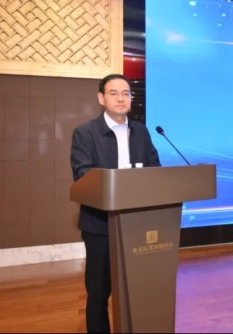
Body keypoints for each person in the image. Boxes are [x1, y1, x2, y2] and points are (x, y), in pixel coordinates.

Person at [71, 74, 161, 333]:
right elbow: (82, 175)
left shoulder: (141, 132)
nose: (121, 98)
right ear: (101, 98)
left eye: (126, 93)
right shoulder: (85, 133)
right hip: (100, 225)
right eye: (114, 93)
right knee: (99, 292)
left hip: (136, 223)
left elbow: (154, 168)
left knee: (136, 288)